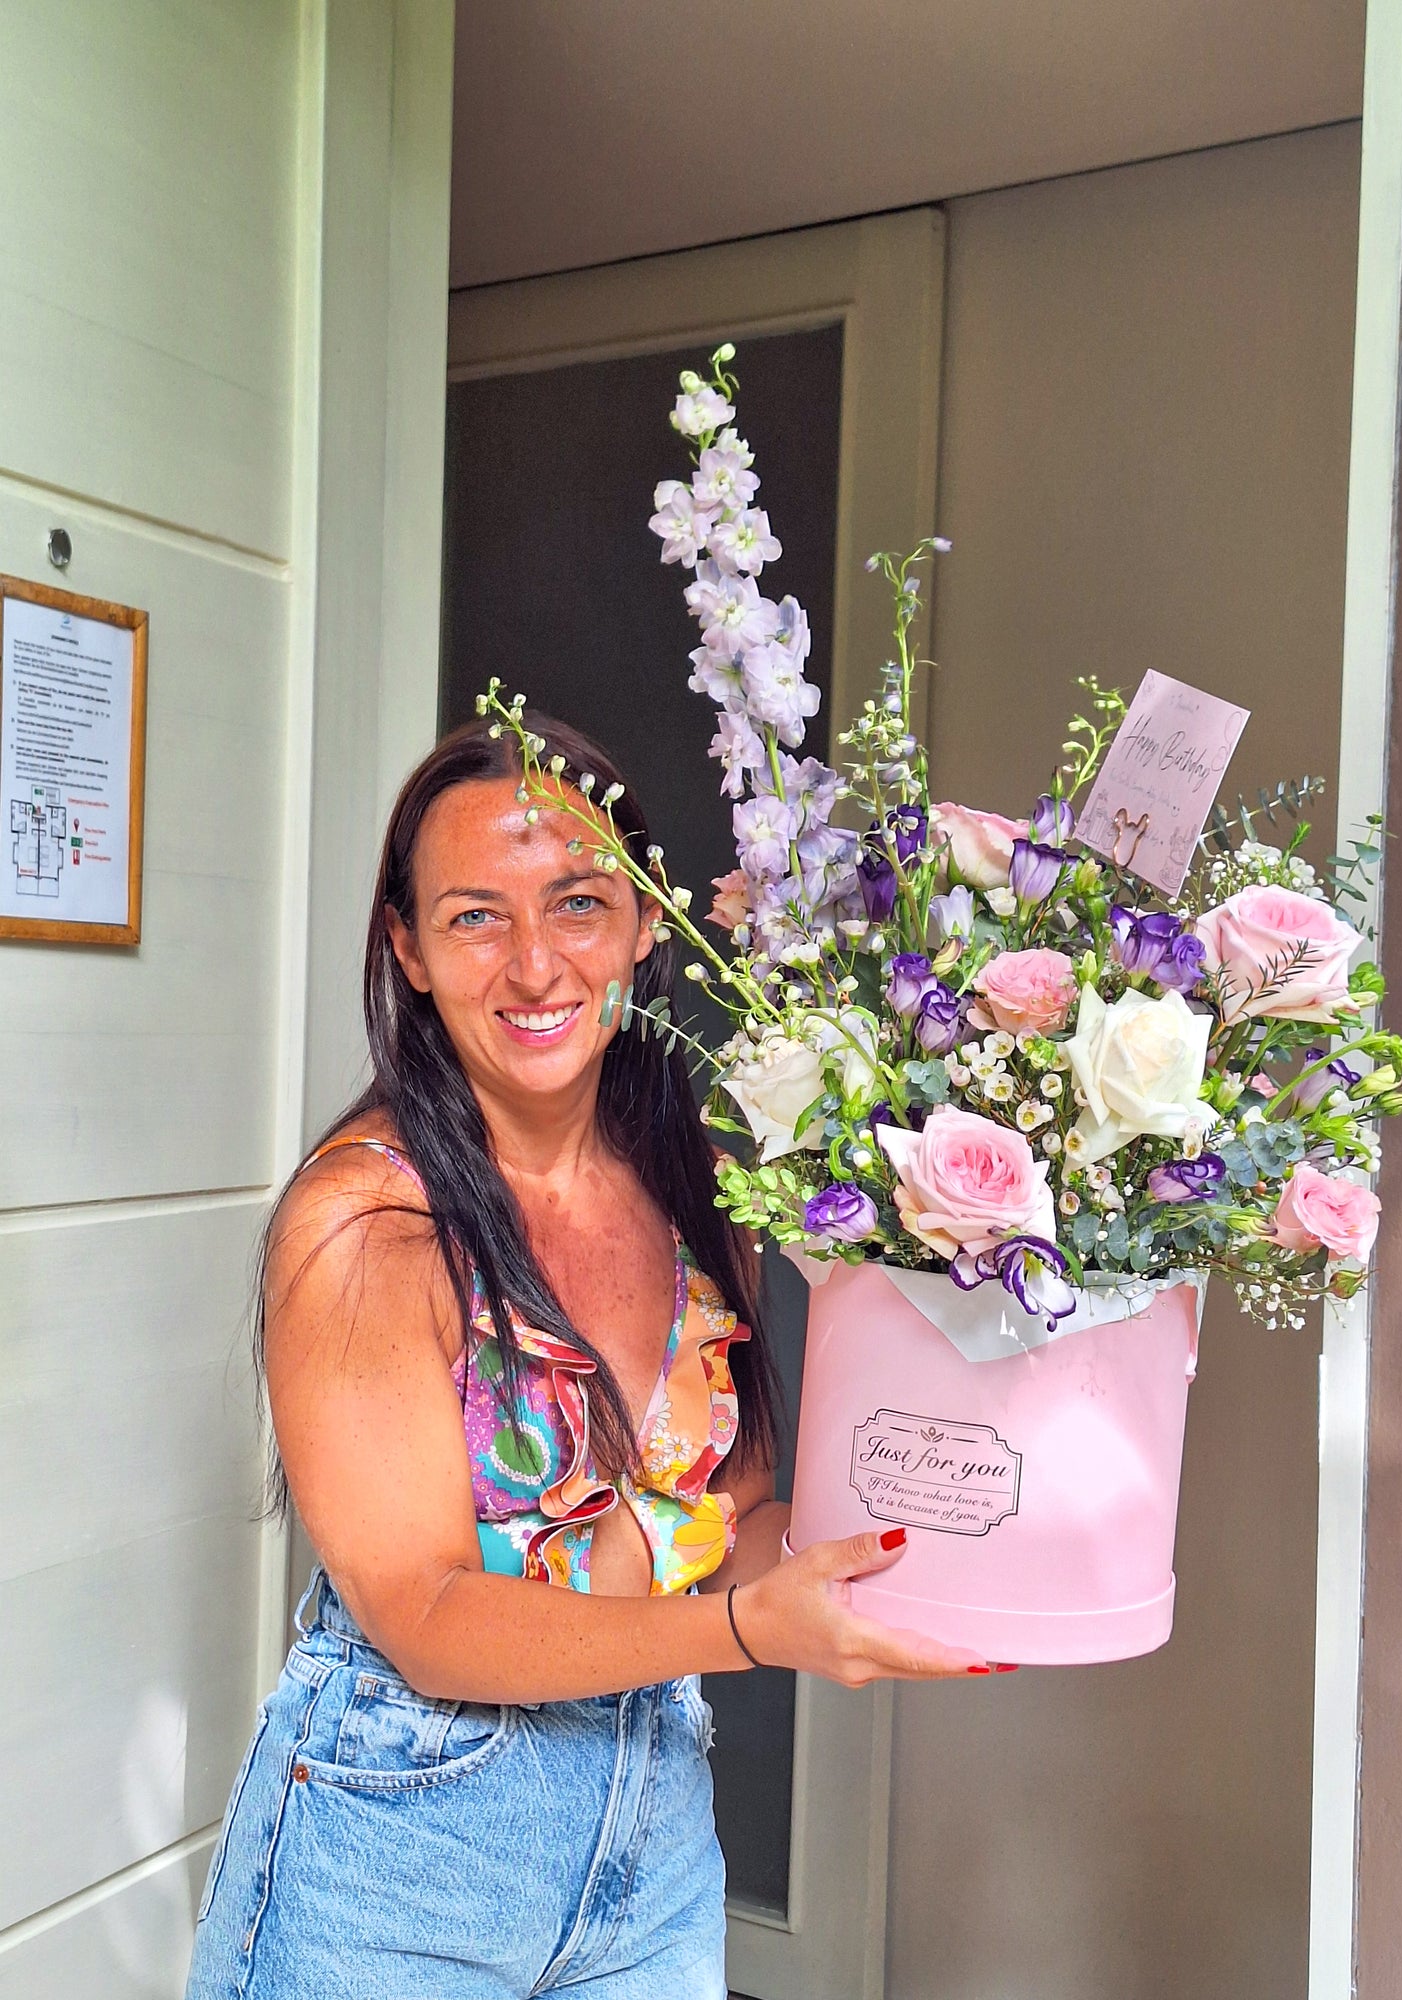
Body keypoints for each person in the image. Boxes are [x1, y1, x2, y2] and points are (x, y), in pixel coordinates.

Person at [185, 715, 985, 2000]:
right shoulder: (367, 1221)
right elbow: (431, 1616)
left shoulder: (702, 1180)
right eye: (475, 917)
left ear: (646, 919)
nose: (537, 963)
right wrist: (743, 1629)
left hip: (651, 1830)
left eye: (577, 902)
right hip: (399, 1848)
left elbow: (740, 1513)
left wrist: (920, 1556)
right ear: (409, 948)